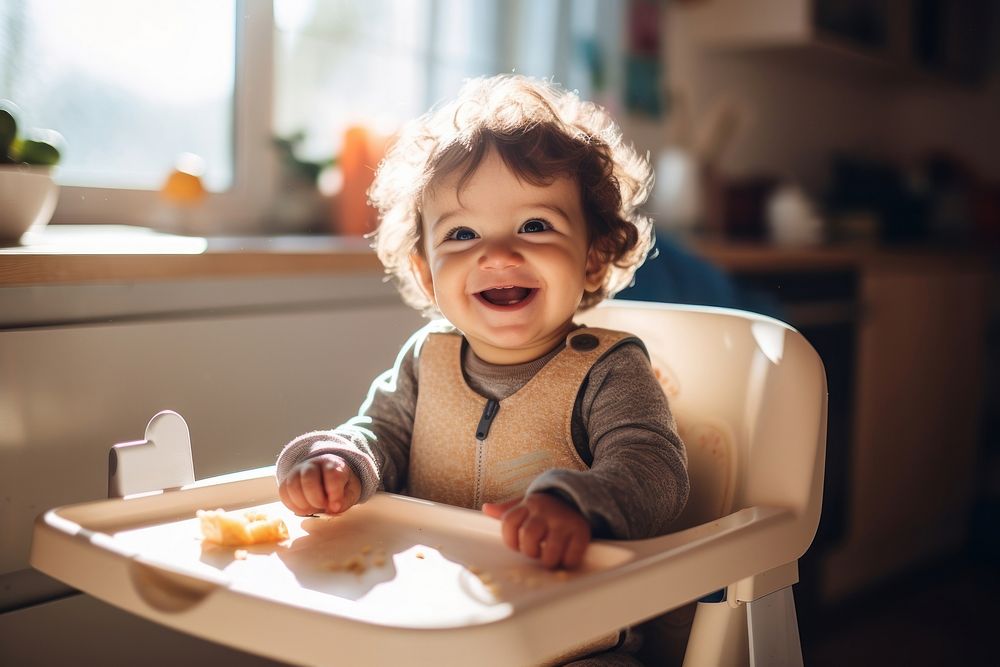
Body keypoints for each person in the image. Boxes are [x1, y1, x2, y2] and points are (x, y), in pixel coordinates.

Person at [275, 75, 689, 664]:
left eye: (535, 226)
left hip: (573, 642)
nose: (497, 254)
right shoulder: (427, 357)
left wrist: (576, 503)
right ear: (426, 274)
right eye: (463, 234)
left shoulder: (608, 371)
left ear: (593, 257)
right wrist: (337, 461)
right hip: (432, 627)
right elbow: (379, 435)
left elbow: (654, 467)